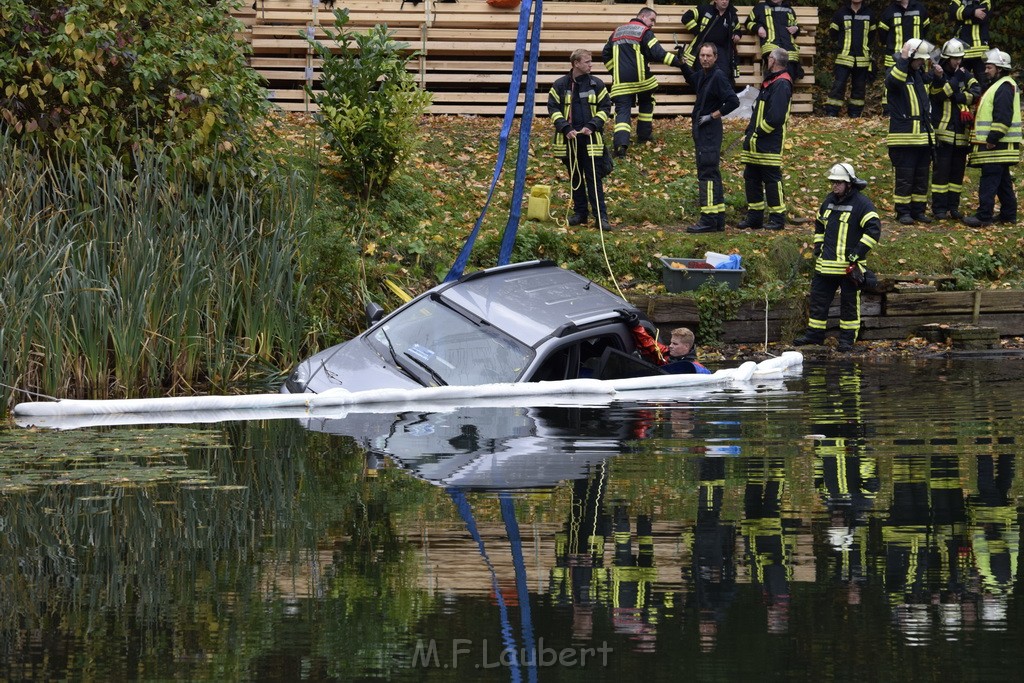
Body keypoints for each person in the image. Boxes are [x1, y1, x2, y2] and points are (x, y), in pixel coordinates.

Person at [794, 163, 882, 353]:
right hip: (825, 266)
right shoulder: (829, 201)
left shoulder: (862, 204)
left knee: (849, 304)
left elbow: (874, 230)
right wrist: (818, 245)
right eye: (833, 182)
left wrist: (858, 252)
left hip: (848, 268)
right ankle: (814, 335)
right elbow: (819, 223)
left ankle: (847, 340)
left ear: (849, 183)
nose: (835, 186)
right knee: (818, 300)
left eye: (839, 182)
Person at [602, 8, 685, 158]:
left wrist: (615, 71)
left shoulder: (617, 32)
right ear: (642, 16)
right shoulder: (645, 32)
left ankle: (621, 146)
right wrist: (677, 61)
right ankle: (644, 135)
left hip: (621, 82)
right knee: (647, 103)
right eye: (652, 20)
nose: (653, 24)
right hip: (642, 81)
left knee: (622, 112)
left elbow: (605, 54)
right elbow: (658, 53)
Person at [547, 49, 612, 230]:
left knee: (594, 179)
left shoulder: (596, 84)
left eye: (591, 62)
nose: (591, 65)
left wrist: (592, 126)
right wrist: (565, 128)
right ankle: (580, 214)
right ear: (576, 63)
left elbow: (606, 108)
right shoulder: (560, 85)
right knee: (575, 178)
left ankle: (601, 217)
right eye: (587, 62)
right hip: (570, 140)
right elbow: (553, 108)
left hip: (590, 140)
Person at [680, 43, 740, 233]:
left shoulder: (718, 76)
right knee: (711, 173)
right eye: (702, 56)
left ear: (715, 57)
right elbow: (692, 79)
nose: (705, 59)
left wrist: (713, 115)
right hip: (702, 130)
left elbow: (733, 101)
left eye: (708, 56)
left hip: (710, 131)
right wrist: (682, 64)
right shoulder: (704, 75)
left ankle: (708, 219)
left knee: (707, 174)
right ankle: (718, 220)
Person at [963, 49, 1020, 228]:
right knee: (1003, 182)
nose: (985, 70)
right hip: (1002, 146)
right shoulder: (1002, 84)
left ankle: (984, 216)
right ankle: (1009, 215)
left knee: (989, 180)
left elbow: (1003, 117)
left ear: (1000, 68)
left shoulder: (1003, 86)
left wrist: (993, 139)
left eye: (989, 67)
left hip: (996, 145)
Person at [738, 47, 793, 232]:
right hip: (756, 142)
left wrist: (758, 132)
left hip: (768, 143)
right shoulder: (772, 81)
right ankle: (755, 218)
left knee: (771, 180)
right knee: (751, 178)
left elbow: (776, 118)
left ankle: (777, 219)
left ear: (773, 61)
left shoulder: (782, 84)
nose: (766, 61)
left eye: (768, 58)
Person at [885, 38, 937, 225]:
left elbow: (929, 84)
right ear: (910, 56)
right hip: (904, 138)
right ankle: (903, 212)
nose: (922, 62)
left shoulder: (917, 75)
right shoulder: (895, 73)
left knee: (921, 177)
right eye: (919, 59)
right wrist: (904, 59)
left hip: (923, 138)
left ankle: (918, 211)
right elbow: (894, 81)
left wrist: (936, 72)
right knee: (905, 178)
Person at [928, 38, 980, 220]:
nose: (958, 62)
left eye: (960, 58)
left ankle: (953, 207)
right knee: (941, 174)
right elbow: (939, 95)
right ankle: (939, 208)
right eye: (954, 58)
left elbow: (976, 92)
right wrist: (956, 80)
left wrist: (958, 96)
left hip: (962, 134)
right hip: (944, 133)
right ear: (947, 57)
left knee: (957, 174)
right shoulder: (937, 75)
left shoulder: (967, 74)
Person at [876, 0, 930, 115]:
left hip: (917, 56)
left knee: (917, 82)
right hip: (894, 56)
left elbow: (926, 28)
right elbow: (882, 33)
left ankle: (919, 108)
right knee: (891, 83)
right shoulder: (889, 11)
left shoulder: (920, 8)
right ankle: (888, 112)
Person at [825, 0, 874, 117]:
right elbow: (833, 33)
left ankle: (855, 114)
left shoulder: (869, 14)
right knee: (838, 86)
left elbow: (872, 35)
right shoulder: (840, 13)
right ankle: (832, 113)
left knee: (859, 87)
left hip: (862, 59)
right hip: (844, 57)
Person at [680, 0, 743, 88]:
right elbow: (686, 17)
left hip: (722, 52)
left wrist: (737, 35)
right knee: (703, 77)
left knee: (724, 77)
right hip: (704, 49)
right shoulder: (704, 9)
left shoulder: (731, 15)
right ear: (716, 0)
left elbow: (737, 29)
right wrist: (698, 33)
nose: (724, 1)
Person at [744, 0, 803, 82]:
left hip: (789, 50)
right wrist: (758, 28)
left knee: (789, 77)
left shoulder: (789, 10)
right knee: (774, 78)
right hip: (771, 47)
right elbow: (748, 23)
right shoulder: (760, 7)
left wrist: (796, 29)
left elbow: (795, 29)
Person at [948, 0, 990, 82]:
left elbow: (982, 16)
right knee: (960, 83)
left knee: (983, 83)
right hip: (962, 53)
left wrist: (962, 15)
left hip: (980, 53)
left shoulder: (986, 1)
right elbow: (953, 13)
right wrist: (973, 12)